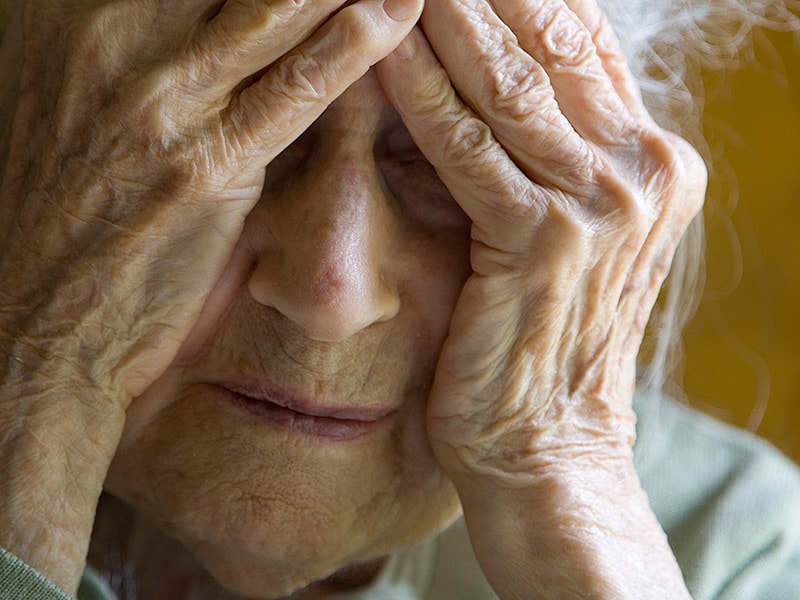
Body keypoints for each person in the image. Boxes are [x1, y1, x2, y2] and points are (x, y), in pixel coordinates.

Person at [0, 0, 798, 598]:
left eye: (451, 155)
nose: (330, 293)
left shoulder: (728, 546)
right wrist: (38, 387)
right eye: (242, 122)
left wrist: (559, 469)